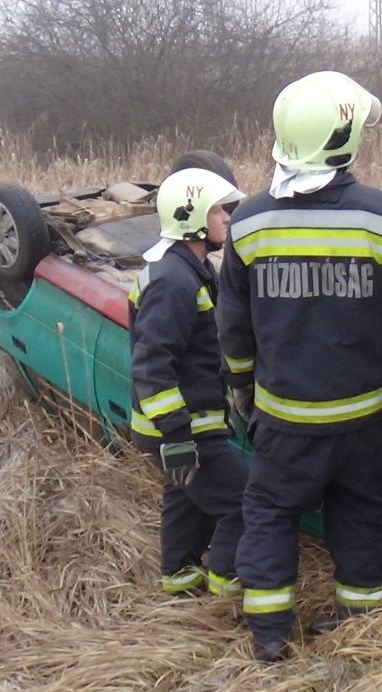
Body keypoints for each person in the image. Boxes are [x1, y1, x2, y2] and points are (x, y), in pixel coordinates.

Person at [217, 70, 382, 661]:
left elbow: (233, 327)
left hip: (284, 420)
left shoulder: (247, 223)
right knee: (360, 513)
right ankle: (359, 624)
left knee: (270, 513)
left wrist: (240, 388)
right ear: (346, 139)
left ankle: (270, 635)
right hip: (364, 420)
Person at [128, 166, 249, 598]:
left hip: (187, 424)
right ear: (191, 218)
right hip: (184, 427)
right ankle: (228, 584)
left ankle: (179, 578)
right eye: (217, 211)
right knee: (243, 501)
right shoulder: (174, 282)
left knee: (186, 498)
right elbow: (151, 362)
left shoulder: (191, 270)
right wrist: (177, 436)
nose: (227, 218)